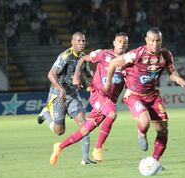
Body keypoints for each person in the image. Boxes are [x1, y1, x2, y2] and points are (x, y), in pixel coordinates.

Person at [104, 27, 185, 164]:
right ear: (146, 40)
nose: (155, 44)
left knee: (163, 130)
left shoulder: (166, 54)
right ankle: (141, 133)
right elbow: (114, 62)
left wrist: (178, 78)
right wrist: (108, 82)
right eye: (152, 41)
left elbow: (172, 73)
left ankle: (154, 161)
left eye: (158, 41)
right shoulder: (137, 54)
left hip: (153, 95)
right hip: (134, 94)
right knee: (144, 122)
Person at [49, 33, 129, 165]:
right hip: (98, 95)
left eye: (124, 42)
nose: (121, 44)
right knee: (112, 113)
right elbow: (82, 60)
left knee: (85, 130)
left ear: (127, 45)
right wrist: (76, 76)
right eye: (119, 41)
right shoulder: (103, 54)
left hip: (109, 100)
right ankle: (97, 149)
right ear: (114, 43)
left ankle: (59, 147)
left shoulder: (128, 61)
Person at [37, 32, 95, 165]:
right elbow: (51, 74)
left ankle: (85, 159)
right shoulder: (65, 57)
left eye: (83, 41)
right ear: (72, 42)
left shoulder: (83, 58)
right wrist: (60, 88)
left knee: (84, 124)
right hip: (59, 95)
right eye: (79, 41)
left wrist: (93, 85)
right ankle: (45, 113)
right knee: (59, 131)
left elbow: (87, 75)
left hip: (73, 95)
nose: (82, 43)